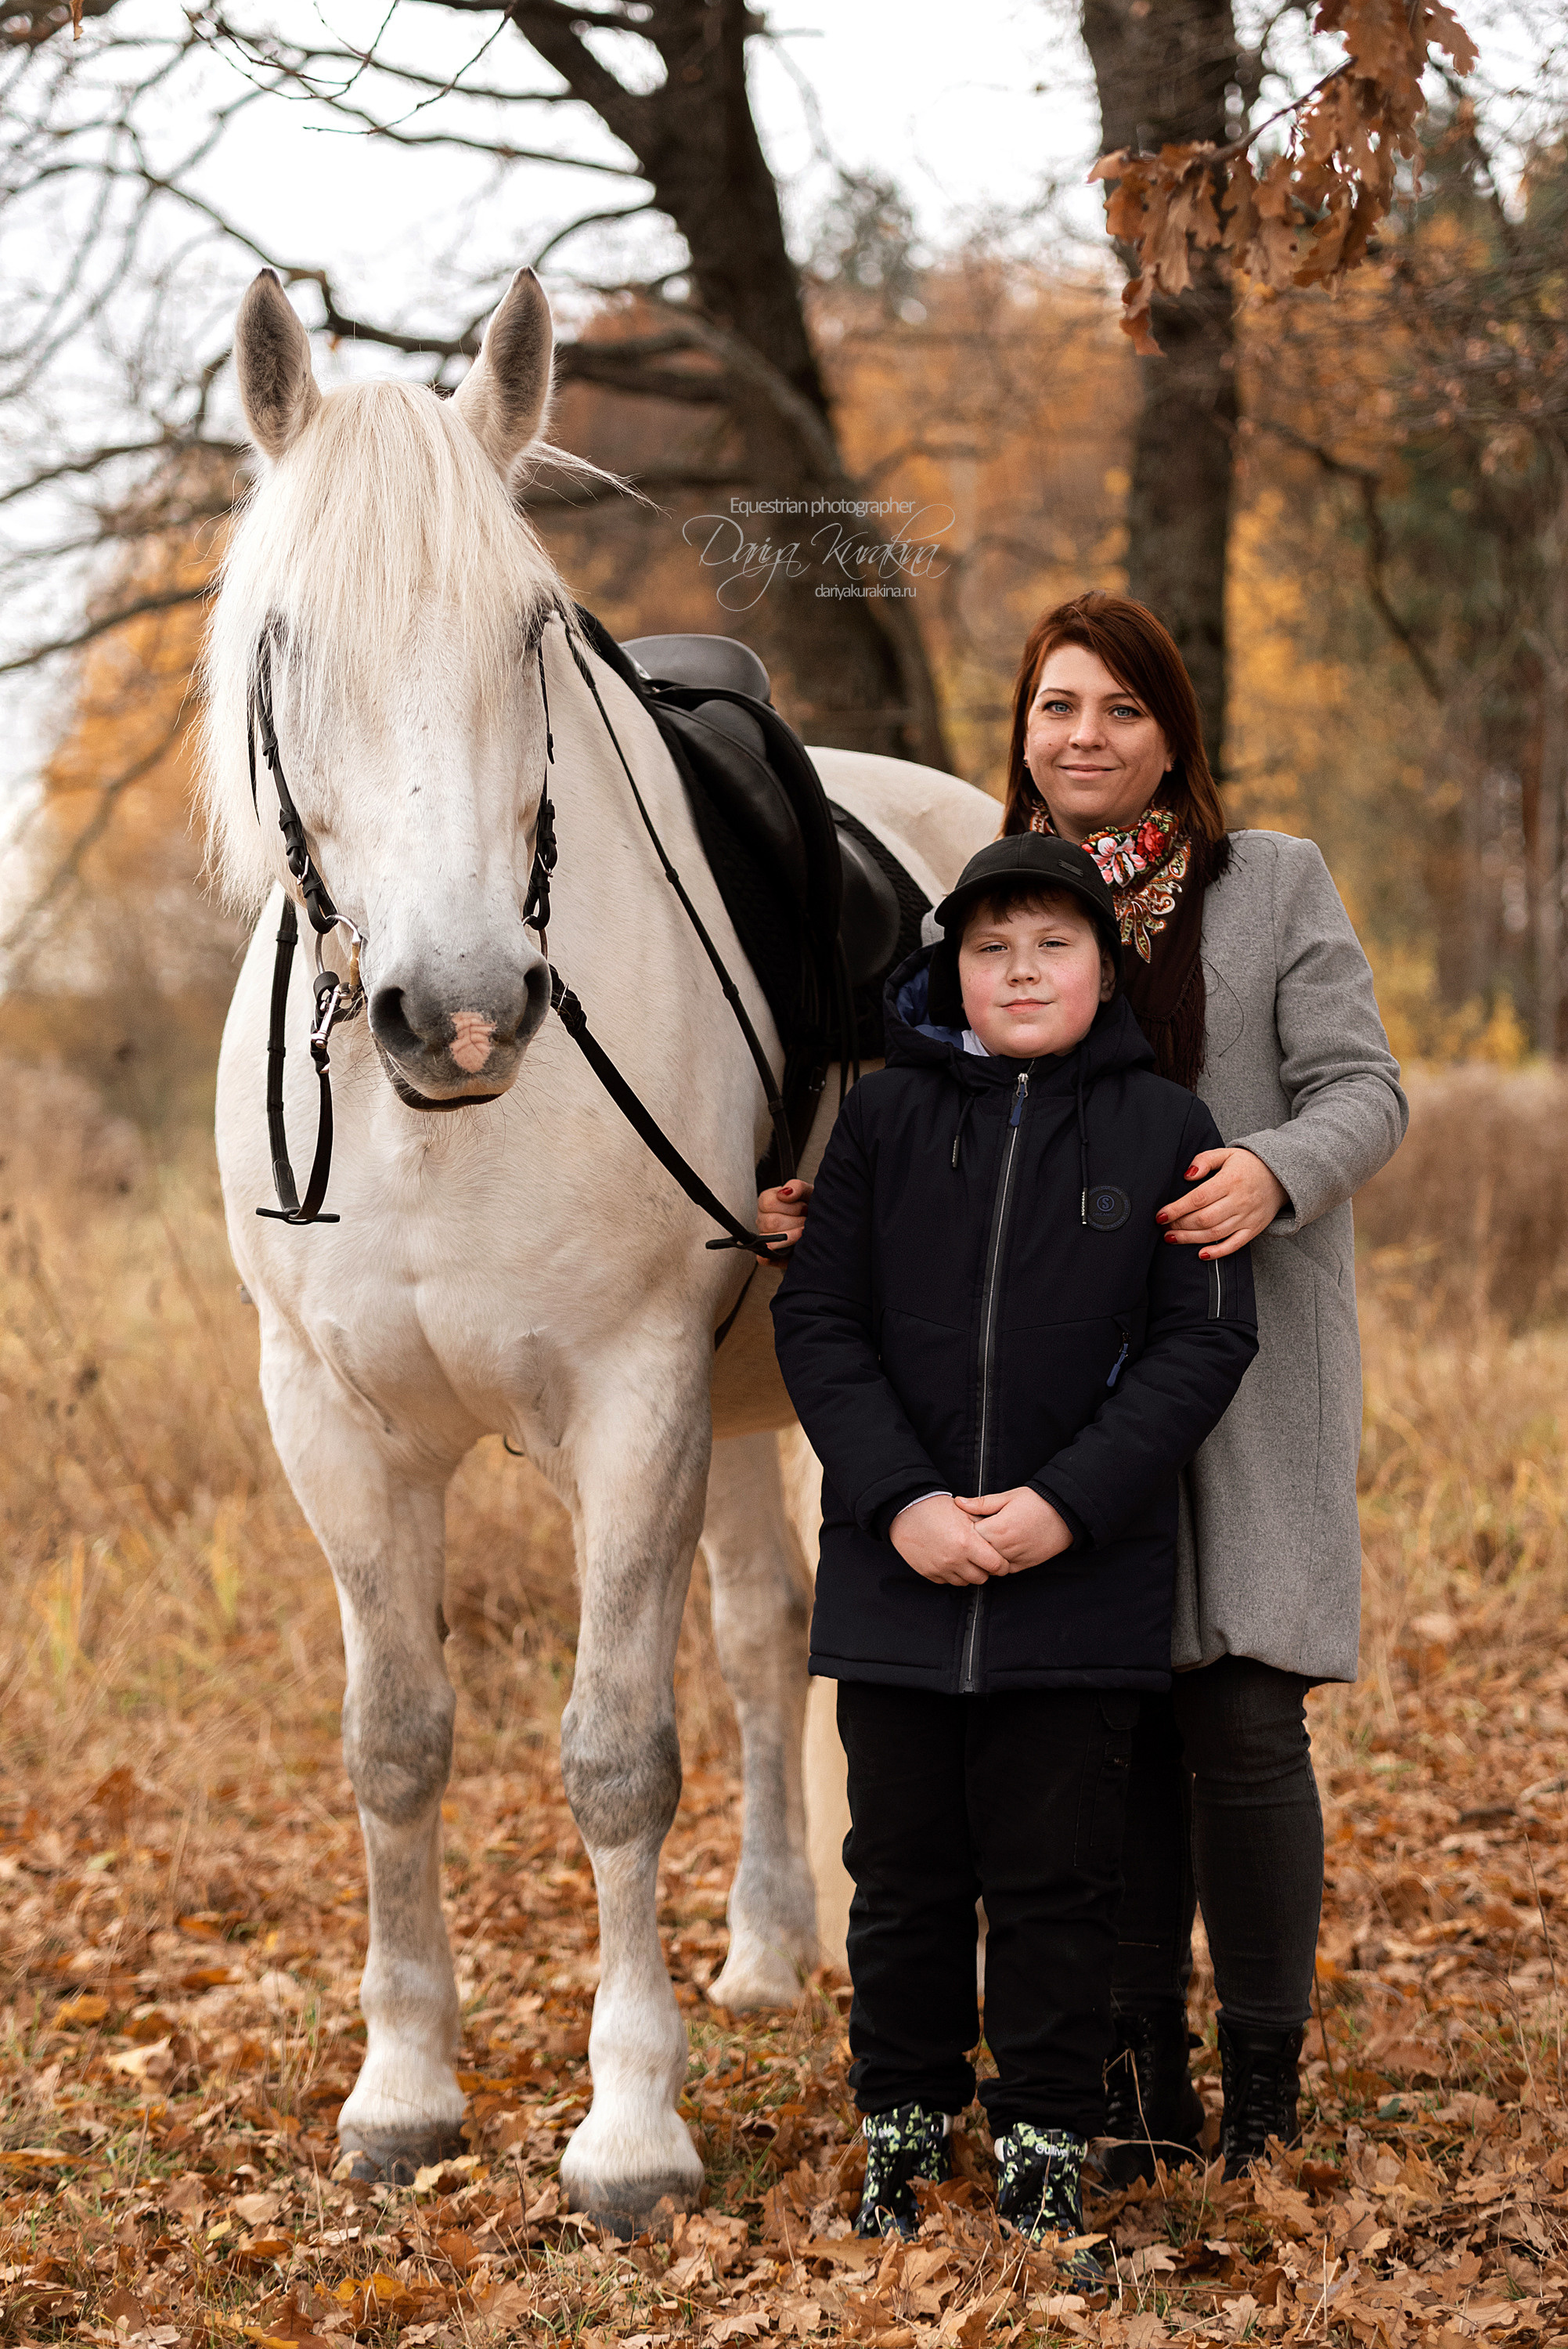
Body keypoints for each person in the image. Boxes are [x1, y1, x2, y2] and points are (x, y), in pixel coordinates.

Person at [762, 591, 1408, 2181]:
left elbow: (1367, 1089)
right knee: (1085, 1721)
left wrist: (1270, 1168)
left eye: (1122, 709)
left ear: (1173, 730)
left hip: (1229, 1363)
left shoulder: (1272, 887)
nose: (1088, 738)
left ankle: (1261, 2071)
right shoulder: (988, 896)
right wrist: (831, 1204)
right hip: (1037, 1391)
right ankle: (1128, 2065)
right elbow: (924, 1088)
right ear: (1023, 733)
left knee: (1241, 1718)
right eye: (1059, 708)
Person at [769, 832, 1257, 2264]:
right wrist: (903, 1503)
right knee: (903, 1881)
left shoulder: (1169, 1128)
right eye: (991, 949)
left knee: (1059, 1890)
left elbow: (1200, 1342)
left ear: (1105, 968)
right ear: (952, 971)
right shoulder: (882, 1126)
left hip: (1079, 1588)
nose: (1022, 970)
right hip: (895, 1576)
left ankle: (1045, 2156)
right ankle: (901, 2143)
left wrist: (1060, 1507)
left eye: (1053, 945)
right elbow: (821, 1325)